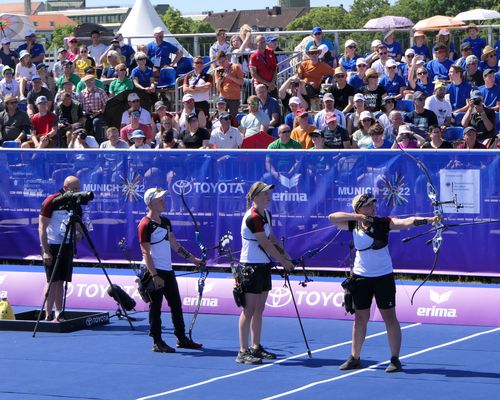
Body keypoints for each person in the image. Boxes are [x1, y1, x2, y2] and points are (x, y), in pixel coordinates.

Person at [328, 193, 439, 372]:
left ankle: (395, 359)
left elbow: (407, 222)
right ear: (359, 208)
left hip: (383, 277)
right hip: (361, 278)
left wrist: (430, 220)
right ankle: (355, 357)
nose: (373, 208)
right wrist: (358, 217)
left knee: (389, 318)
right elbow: (332, 218)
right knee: (360, 319)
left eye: (374, 205)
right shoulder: (353, 223)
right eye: (369, 205)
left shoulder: (383, 222)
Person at [138, 187, 203, 353]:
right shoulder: (145, 224)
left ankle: (181, 339)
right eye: (160, 200)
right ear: (150, 202)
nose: (164, 202)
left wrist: (193, 260)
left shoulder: (166, 222)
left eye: (164, 199)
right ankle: (157, 341)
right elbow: (145, 252)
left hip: (168, 271)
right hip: (154, 272)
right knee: (156, 307)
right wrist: (154, 276)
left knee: (176, 305)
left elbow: (175, 245)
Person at [236, 181, 294, 364]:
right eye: (265, 193)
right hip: (250, 267)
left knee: (259, 308)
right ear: (255, 197)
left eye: (269, 193)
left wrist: (287, 255)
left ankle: (256, 346)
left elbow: (272, 238)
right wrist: (283, 262)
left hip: (263, 266)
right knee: (249, 309)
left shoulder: (266, 214)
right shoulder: (252, 217)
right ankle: (243, 351)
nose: (268, 196)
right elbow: (265, 244)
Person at [39, 176, 83, 321]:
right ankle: (47, 314)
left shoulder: (76, 203)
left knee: (61, 281)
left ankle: (58, 313)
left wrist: (78, 234)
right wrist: (45, 250)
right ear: (65, 188)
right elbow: (41, 227)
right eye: (75, 188)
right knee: (52, 280)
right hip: (52, 245)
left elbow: (78, 226)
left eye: (79, 188)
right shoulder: (51, 201)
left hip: (67, 245)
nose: (78, 191)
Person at [214, 51, 244, 116]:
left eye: (223, 61)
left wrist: (230, 77)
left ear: (226, 59)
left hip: (234, 97)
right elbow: (218, 88)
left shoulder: (235, 67)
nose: (221, 64)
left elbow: (241, 82)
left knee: (233, 117)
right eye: (219, 62)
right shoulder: (218, 70)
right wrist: (219, 81)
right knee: (221, 116)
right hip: (223, 97)